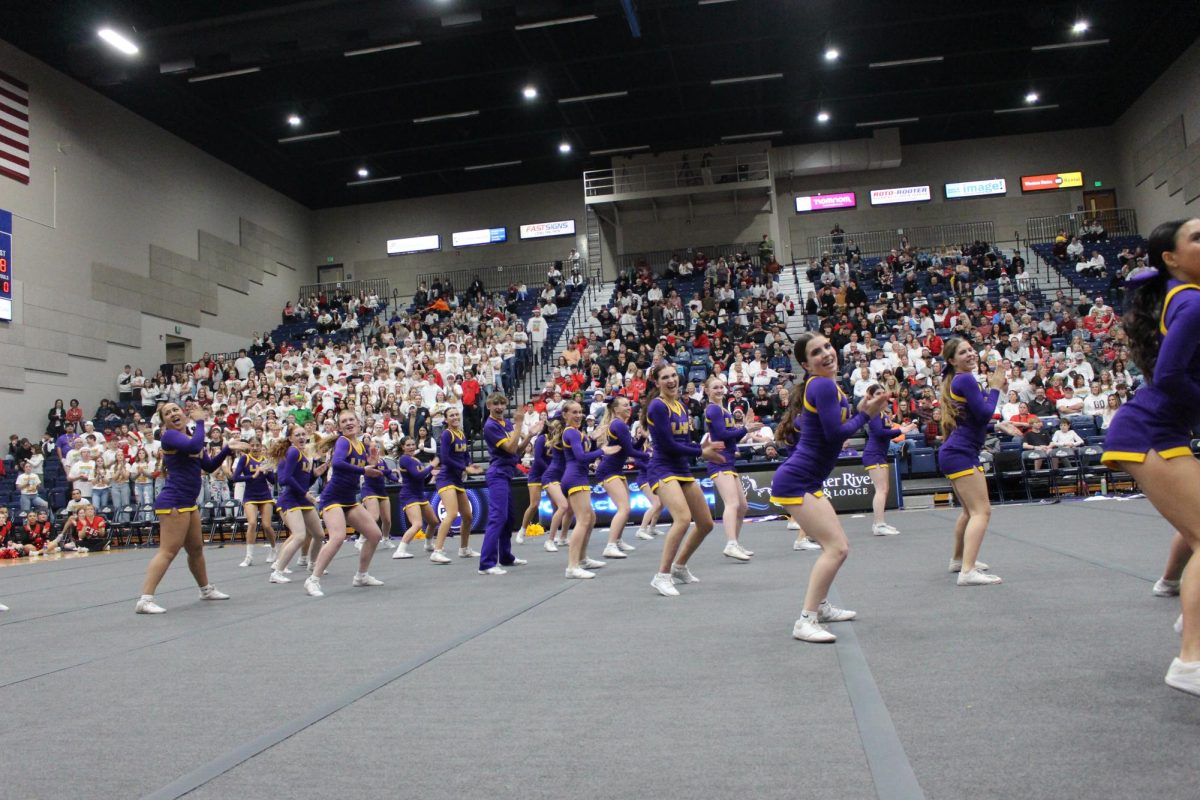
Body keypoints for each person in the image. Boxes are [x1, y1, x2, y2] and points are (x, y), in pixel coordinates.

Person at [1100, 218, 1200, 695]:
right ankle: (1189, 662)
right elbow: (1170, 376)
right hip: (1150, 431)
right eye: (1197, 237)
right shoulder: (1194, 301)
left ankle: (1191, 622)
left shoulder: (1183, 299)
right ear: (1171, 259)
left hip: (1161, 429)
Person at [770, 334, 887, 642]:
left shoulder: (829, 387)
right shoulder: (821, 385)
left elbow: (835, 428)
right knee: (837, 548)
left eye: (826, 347)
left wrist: (861, 407)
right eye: (815, 352)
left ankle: (819, 607)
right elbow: (836, 435)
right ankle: (805, 620)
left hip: (808, 479)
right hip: (798, 480)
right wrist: (866, 414)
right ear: (806, 364)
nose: (825, 353)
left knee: (834, 547)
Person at [136, 402, 248, 614]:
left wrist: (227, 449)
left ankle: (205, 589)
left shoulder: (190, 436)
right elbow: (195, 447)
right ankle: (145, 599)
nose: (173, 414)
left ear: (183, 413)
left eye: (175, 410)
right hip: (173, 501)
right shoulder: (170, 436)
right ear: (164, 421)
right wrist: (199, 421)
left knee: (196, 549)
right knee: (168, 551)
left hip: (188, 503)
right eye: (167, 413)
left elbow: (208, 466)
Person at [643, 363, 725, 597]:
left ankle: (679, 567)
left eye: (673, 375)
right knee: (682, 519)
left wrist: (704, 447)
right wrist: (701, 452)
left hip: (681, 468)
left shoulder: (679, 404)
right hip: (662, 467)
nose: (671, 380)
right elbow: (668, 445)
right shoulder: (657, 407)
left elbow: (684, 441)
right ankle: (662, 575)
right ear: (657, 382)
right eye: (665, 377)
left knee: (706, 523)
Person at [939, 338, 1007, 586]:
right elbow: (984, 412)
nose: (970, 354)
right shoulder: (965, 379)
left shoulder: (958, 380)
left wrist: (999, 425)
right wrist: (995, 387)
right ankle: (968, 571)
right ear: (951, 360)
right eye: (962, 352)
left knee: (969, 512)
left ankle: (959, 560)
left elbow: (976, 420)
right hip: (960, 453)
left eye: (970, 349)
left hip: (955, 452)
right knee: (982, 511)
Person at [304, 410, 389, 597]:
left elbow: (365, 467)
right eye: (344, 421)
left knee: (374, 534)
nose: (349, 423)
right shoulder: (343, 442)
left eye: (351, 419)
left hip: (349, 499)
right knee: (337, 537)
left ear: (358, 423)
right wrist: (364, 470)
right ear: (339, 427)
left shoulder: (360, 445)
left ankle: (361, 575)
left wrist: (372, 464)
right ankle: (313, 580)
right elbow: (338, 463)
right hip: (333, 497)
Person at [478, 393, 542, 575]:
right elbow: (510, 448)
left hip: (506, 473)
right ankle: (486, 564)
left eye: (502, 404)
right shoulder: (490, 426)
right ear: (488, 406)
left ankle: (505, 556)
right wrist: (520, 424)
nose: (499, 407)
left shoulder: (505, 424)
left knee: (508, 518)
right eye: (495, 404)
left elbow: (517, 452)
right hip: (497, 473)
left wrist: (529, 435)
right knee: (498, 517)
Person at [558, 400, 620, 578]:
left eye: (580, 412)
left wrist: (593, 439)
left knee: (590, 518)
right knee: (584, 519)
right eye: (574, 412)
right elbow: (581, 457)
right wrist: (603, 451)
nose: (578, 415)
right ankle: (572, 566)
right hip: (575, 477)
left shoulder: (577, 433)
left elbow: (584, 451)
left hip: (579, 476)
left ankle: (582, 559)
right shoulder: (571, 432)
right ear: (565, 415)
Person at [703, 377, 762, 561]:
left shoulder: (723, 409)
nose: (720, 390)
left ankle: (735, 542)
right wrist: (745, 429)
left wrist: (745, 429)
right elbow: (720, 434)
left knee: (742, 506)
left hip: (728, 461)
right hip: (719, 461)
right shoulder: (713, 408)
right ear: (707, 391)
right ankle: (731, 544)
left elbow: (729, 437)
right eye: (715, 387)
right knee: (733, 504)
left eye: (721, 386)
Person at [266, 424, 328, 584]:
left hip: (301, 499)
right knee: (299, 536)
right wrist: (305, 493)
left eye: (303, 434)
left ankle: (313, 564)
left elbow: (303, 479)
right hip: (291, 499)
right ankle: (277, 571)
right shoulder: (293, 452)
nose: (301, 437)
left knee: (319, 534)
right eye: (297, 435)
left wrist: (314, 474)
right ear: (290, 438)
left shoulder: (303, 454)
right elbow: (285, 479)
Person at [593, 396, 648, 560]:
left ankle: (617, 540)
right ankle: (610, 546)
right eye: (625, 405)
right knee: (623, 508)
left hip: (616, 470)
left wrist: (643, 437)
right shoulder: (618, 424)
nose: (628, 407)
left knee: (626, 508)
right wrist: (650, 456)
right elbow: (632, 453)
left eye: (629, 404)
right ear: (616, 409)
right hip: (608, 470)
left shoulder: (621, 425)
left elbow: (630, 448)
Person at [429, 407, 482, 564]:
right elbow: (445, 458)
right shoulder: (447, 434)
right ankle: (437, 551)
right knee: (451, 514)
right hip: (446, 478)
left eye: (456, 414)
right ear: (446, 419)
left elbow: (465, 455)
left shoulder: (462, 434)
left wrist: (471, 465)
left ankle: (464, 549)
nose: (455, 417)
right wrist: (465, 468)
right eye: (451, 415)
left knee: (467, 516)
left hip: (457, 480)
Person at [862, 394, 917, 536]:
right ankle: (879, 524)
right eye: (880, 397)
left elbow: (888, 434)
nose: (885, 400)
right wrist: (901, 430)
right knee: (881, 489)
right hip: (874, 454)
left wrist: (905, 428)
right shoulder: (874, 414)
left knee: (884, 489)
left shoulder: (883, 415)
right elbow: (879, 433)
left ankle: (879, 523)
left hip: (880, 453)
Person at [231, 438, 278, 567]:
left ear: (261, 446)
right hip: (250, 495)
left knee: (267, 525)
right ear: (249, 447)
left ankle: (274, 550)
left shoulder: (265, 460)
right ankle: (249, 556)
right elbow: (235, 477)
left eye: (258, 445)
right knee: (251, 523)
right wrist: (253, 476)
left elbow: (273, 481)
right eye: (253, 445)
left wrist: (268, 472)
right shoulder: (244, 459)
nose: (255, 447)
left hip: (265, 495)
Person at [392, 437, 438, 560]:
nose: (412, 447)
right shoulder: (405, 459)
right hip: (409, 495)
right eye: (408, 445)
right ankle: (400, 550)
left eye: (413, 444)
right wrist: (431, 466)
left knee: (433, 522)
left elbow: (423, 479)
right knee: (417, 524)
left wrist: (432, 474)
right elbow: (418, 475)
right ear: (403, 447)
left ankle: (428, 545)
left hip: (419, 494)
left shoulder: (415, 459)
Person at [355, 436, 398, 552]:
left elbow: (388, 475)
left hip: (381, 490)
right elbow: (377, 472)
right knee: (374, 517)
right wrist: (389, 471)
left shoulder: (383, 461)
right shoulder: (367, 460)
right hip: (369, 489)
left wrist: (397, 479)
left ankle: (385, 539)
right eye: (373, 447)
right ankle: (361, 540)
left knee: (387, 519)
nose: (375, 449)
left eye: (377, 447)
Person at [539, 416, 573, 551]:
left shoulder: (567, 437)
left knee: (570, 509)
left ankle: (563, 537)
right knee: (563, 506)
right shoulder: (561, 440)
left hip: (562, 477)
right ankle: (550, 540)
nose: (552, 430)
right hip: (551, 477)